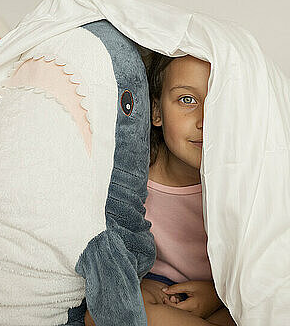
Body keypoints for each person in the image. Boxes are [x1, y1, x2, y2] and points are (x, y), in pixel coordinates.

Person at [85, 52, 235, 326]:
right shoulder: (132, 180)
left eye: (219, 102)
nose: (205, 120)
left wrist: (217, 294)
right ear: (156, 112)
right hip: (157, 285)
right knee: (104, 313)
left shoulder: (246, 181)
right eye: (187, 100)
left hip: (224, 292)